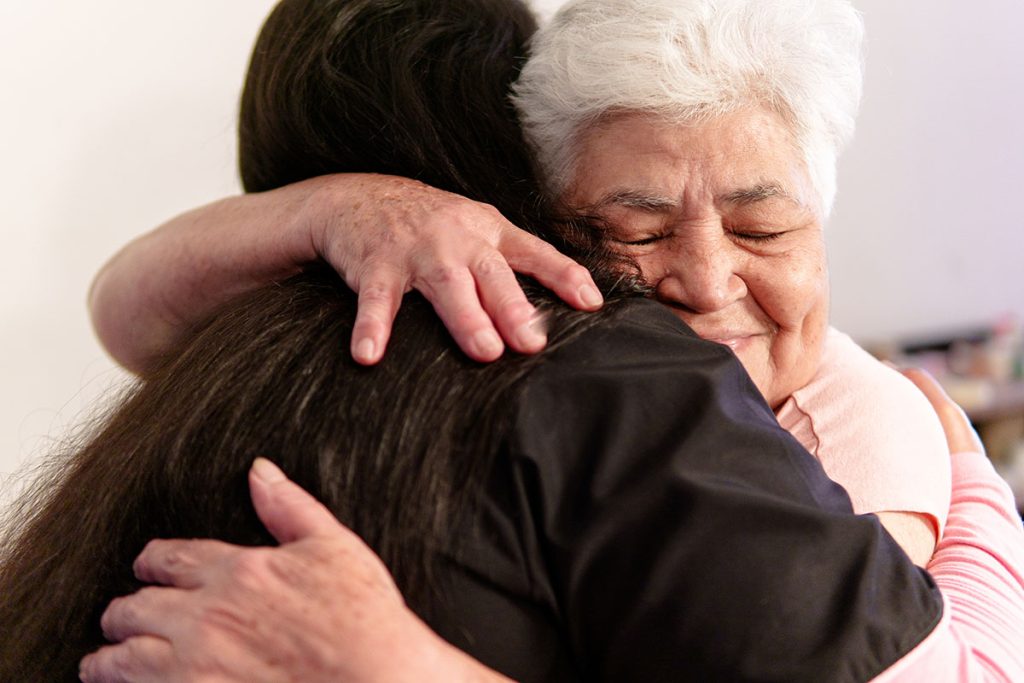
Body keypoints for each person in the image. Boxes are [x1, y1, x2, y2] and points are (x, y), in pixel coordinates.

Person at [62, 0, 1024, 681]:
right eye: (634, 232)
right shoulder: (576, 365)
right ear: (537, 208)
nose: (703, 275)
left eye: (764, 228)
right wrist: (349, 209)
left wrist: (977, 504)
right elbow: (120, 308)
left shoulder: (864, 419)